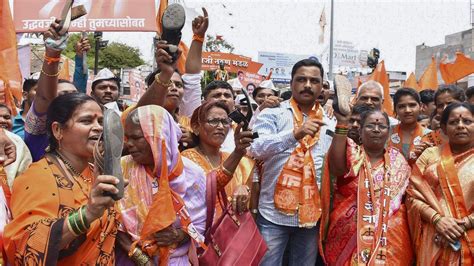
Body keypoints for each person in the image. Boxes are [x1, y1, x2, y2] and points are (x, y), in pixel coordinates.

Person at [116, 105, 252, 265]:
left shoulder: (191, 173)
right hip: (129, 259)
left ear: (158, 137)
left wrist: (180, 235)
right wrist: (140, 257)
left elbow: (202, 223)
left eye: (136, 138)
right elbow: (112, 221)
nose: (129, 144)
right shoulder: (122, 168)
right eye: (127, 138)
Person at [4, 93, 121, 265]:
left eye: (100, 121)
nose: (98, 128)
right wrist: (87, 215)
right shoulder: (37, 177)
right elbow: (25, 243)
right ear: (58, 130)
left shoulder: (98, 172)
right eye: (87, 121)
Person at [250, 59, 333, 266]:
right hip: (272, 216)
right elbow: (256, 148)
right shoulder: (273, 113)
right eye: (301, 79)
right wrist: (295, 134)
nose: (307, 85)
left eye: (314, 80)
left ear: (322, 86)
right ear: (291, 83)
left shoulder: (329, 122)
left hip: (310, 218)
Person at [320, 108, 414, 265]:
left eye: (382, 126)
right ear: (361, 131)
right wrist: (342, 124)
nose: (376, 129)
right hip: (348, 233)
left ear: (388, 132)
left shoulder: (398, 161)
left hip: (388, 238)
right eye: (370, 126)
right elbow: (336, 169)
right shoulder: (351, 153)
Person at [406, 102, 474, 265]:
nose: (460, 126)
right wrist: (438, 220)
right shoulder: (429, 155)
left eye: (467, 121)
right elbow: (411, 196)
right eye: (453, 122)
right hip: (433, 236)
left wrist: (463, 224)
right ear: (443, 127)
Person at [23, 22, 85, 162]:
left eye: (73, 95)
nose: (71, 100)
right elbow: (45, 97)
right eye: (62, 96)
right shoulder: (39, 131)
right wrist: (52, 54)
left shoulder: (90, 134)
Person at [182, 101, 255, 214]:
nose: (221, 127)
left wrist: (244, 188)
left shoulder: (229, 157)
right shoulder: (187, 158)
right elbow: (208, 188)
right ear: (196, 127)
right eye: (214, 121)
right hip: (202, 227)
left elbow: (244, 186)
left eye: (225, 122)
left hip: (232, 227)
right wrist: (237, 152)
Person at [388, 88, 431, 164]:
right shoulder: (386, 132)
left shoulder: (430, 135)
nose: (407, 110)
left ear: (420, 106)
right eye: (401, 106)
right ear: (395, 109)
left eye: (412, 105)